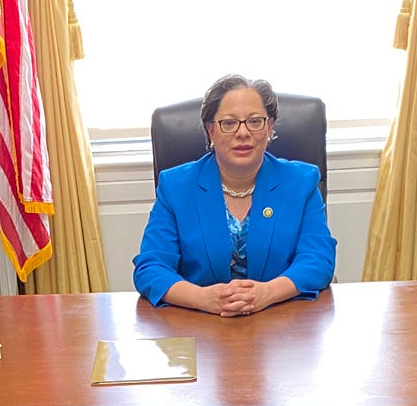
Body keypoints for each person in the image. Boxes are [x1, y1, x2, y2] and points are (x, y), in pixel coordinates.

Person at [133, 74, 336, 316]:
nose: (242, 133)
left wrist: (266, 293)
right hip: (199, 323)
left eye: (255, 121)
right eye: (229, 123)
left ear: (270, 127)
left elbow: (319, 260)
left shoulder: (301, 182)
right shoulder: (176, 186)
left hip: (282, 321)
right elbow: (151, 267)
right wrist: (205, 298)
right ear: (210, 130)